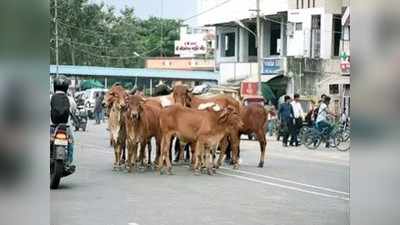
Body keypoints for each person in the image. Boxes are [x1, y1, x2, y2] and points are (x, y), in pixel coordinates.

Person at [50, 75, 76, 165]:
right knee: (71, 142)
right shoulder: (70, 99)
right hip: (66, 127)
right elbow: (74, 109)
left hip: (51, 126)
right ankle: (69, 161)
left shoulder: (50, 97)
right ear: (66, 87)